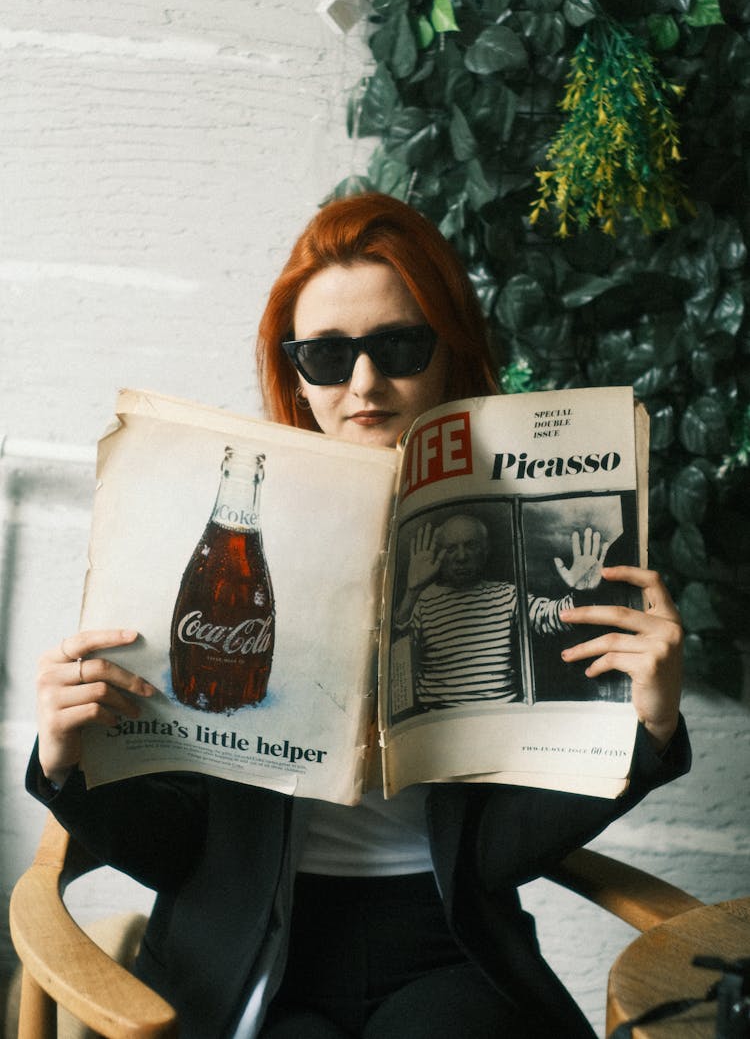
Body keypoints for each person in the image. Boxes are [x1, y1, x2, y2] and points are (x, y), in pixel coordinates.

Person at [30, 193, 688, 1039]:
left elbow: (495, 851)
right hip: (250, 950)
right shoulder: (215, 533)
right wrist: (66, 758)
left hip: (448, 942)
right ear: (295, 371)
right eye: (328, 355)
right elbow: (176, 852)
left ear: (450, 352)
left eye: (400, 346)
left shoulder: (516, 542)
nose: (365, 385)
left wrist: (649, 725)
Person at [395, 516, 612, 708]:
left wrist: (581, 592)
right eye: (451, 549)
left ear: (486, 550)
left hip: (502, 720)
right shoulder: (422, 601)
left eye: (470, 546)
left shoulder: (506, 595)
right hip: (440, 724)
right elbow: (398, 657)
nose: (461, 557)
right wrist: (412, 591)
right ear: (439, 555)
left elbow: (551, 617)